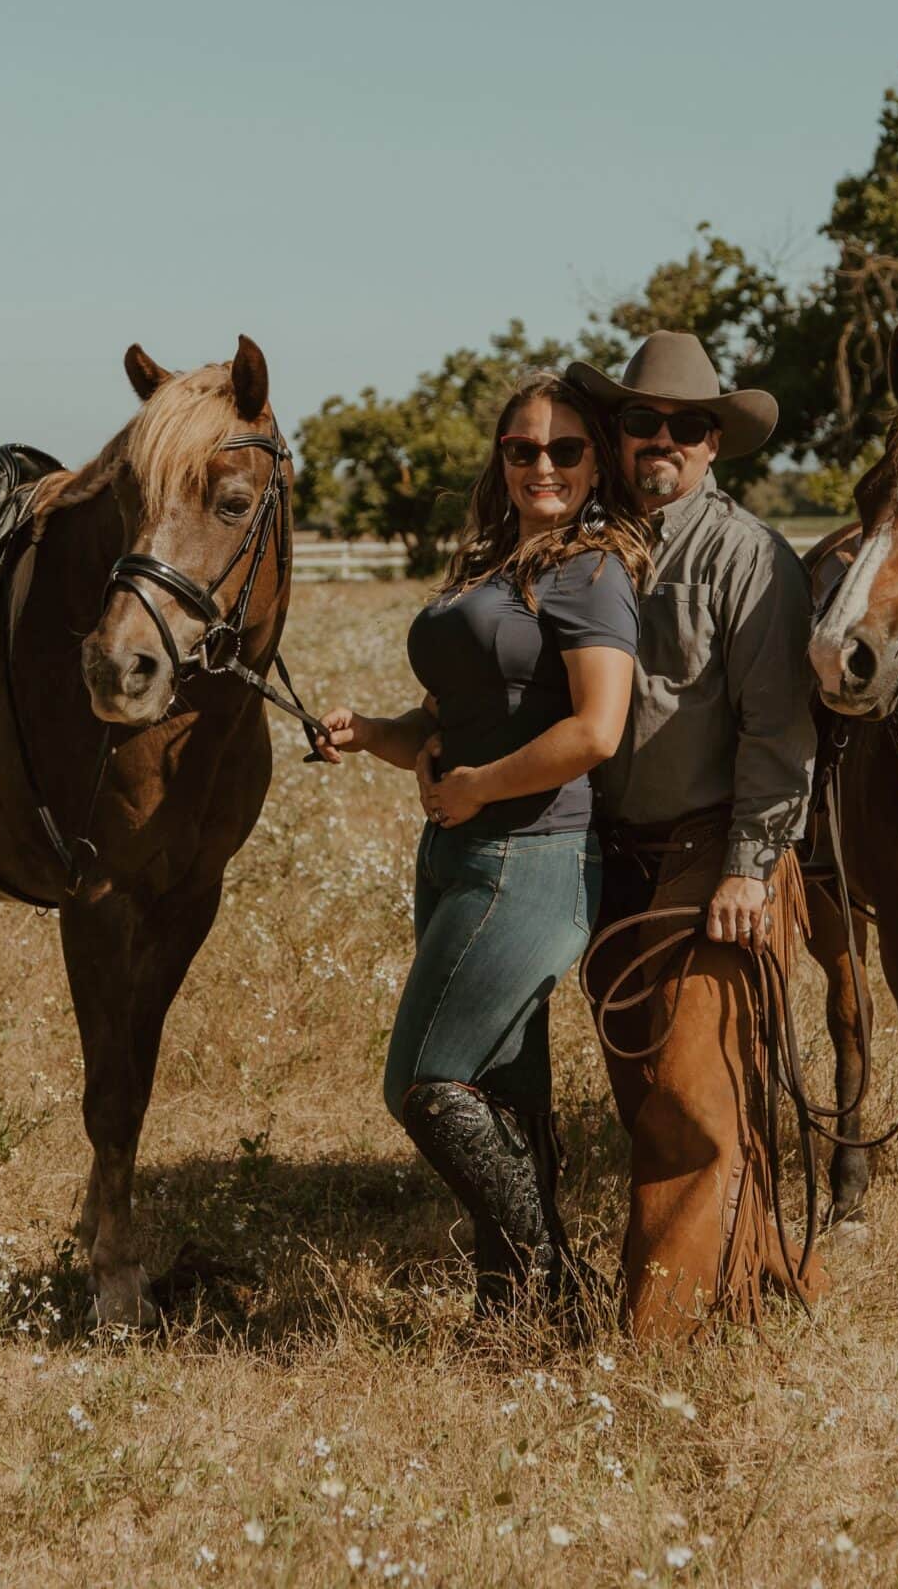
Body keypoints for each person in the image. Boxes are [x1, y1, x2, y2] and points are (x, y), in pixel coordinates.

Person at [317, 373, 651, 1317]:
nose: (542, 465)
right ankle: (512, 1306)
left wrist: (475, 787)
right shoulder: (498, 566)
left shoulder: (592, 570)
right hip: (462, 854)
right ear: (500, 461)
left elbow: (597, 729)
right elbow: (449, 717)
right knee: (505, 1088)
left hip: (532, 858)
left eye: (565, 450)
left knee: (426, 1081)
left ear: (597, 467)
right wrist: (371, 734)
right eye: (522, 449)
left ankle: (558, 1285)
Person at [561, 331, 826, 1339]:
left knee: (692, 1092)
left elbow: (777, 727)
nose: (660, 439)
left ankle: (655, 1339)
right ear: (617, 433)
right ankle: (751, 1280)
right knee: (654, 1085)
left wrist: (751, 867)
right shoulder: (586, 545)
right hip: (611, 847)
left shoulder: (747, 556)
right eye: (641, 421)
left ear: (714, 443)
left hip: (709, 847)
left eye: (685, 425)